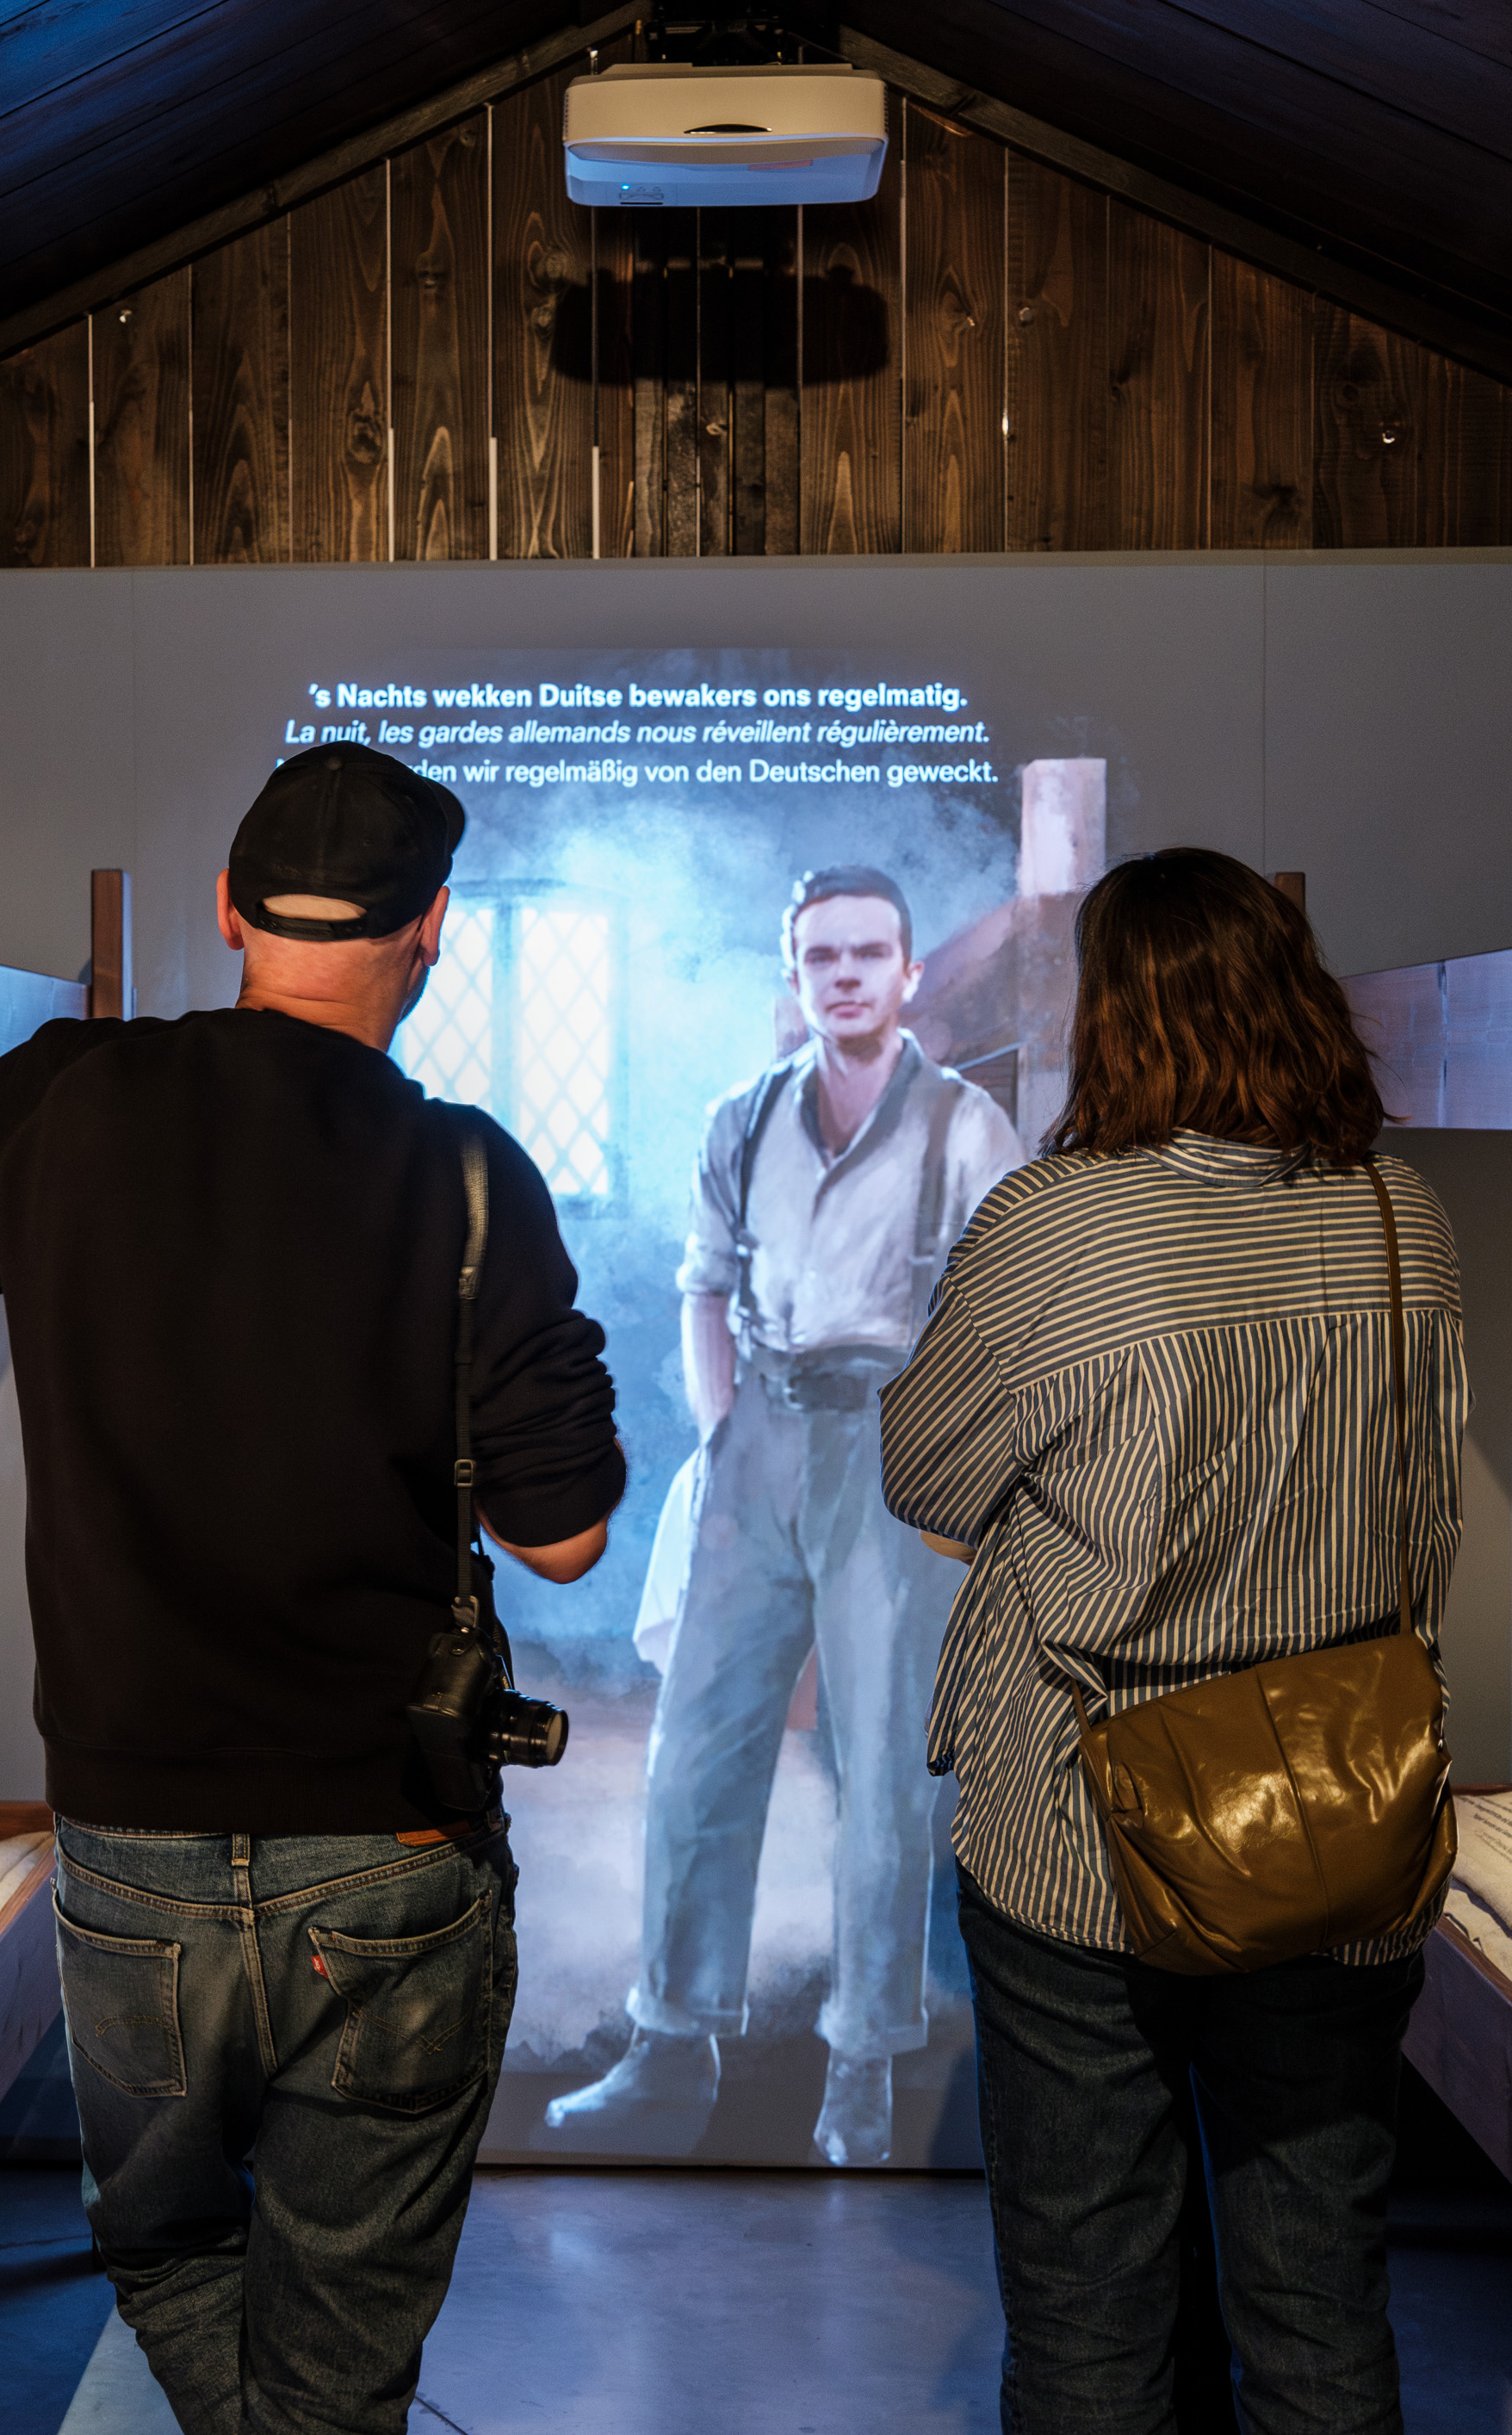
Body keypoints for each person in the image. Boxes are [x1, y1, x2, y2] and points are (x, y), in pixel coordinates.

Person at [0, 740, 627, 2435]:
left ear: (227, 914)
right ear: (430, 935)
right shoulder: (475, 1174)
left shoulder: (61, 1100)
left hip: (136, 1843)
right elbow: (565, 1538)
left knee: (165, 2238)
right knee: (340, 2348)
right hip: (389, 1847)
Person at [877, 846, 1467, 2434]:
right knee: (1319, 2296)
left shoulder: (1050, 1226)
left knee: (1086, 2306)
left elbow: (923, 1475)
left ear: (1115, 1014)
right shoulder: (1395, 1214)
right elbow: (1425, 1522)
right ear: (1295, 994)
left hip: (1083, 1824)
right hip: (1338, 1818)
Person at [549, 864, 1021, 2165]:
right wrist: (718, 1434)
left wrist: (949, 1469)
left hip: (891, 1439)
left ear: (908, 972)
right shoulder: (741, 1119)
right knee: (697, 1748)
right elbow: (703, 1286)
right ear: (796, 974)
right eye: (822, 957)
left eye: (870, 953)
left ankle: (863, 2065)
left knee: (880, 1768)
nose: (847, 975)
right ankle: (669, 2042)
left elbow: (1003, 1314)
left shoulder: (966, 1128)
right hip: (757, 1430)